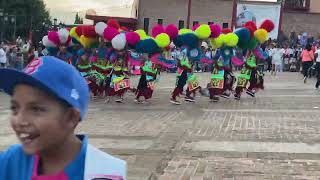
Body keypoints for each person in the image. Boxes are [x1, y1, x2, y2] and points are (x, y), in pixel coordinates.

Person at [0, 56, 127, 180]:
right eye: (15, 108)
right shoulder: (10, 162)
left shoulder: (104, 173)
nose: (20, 121)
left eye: (36, 109)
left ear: (71, 117)